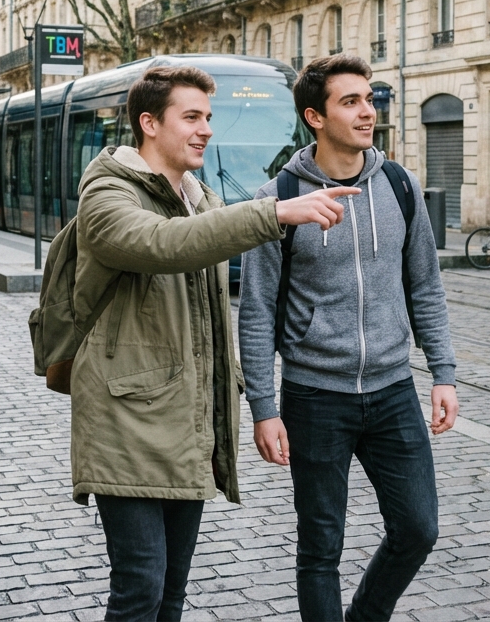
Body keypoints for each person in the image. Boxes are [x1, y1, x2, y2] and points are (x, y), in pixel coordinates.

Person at [69, 65, 359, 621]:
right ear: (149, 123)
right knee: (140, 589)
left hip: (186, 422)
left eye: (209, 117)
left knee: (172, 591)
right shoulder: (105, 196)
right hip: (124, 420)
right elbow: (162, 244)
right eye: (192, 117)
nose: (206, 130)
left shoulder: (198, 197)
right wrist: (273, 212)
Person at [238, 54, 459, 622]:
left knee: (418, 528)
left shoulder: (399, 185)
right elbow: (257, 312)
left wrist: (443, 373)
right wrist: (264, 408)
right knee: (320, 549)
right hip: (315, 398)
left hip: (391, 391)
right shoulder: (278, 199)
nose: (368, 112)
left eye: (370, 99)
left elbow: (426, 287)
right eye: (351, 101)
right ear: (315, 115)